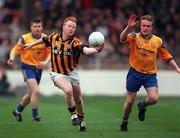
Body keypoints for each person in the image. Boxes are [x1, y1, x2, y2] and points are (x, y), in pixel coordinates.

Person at [23, 16, 104, 131]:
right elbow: (44, 39)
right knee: (68, 90)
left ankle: (82, 122)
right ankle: (73, 114)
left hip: (72, 73)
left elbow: (86, 50)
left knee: (78, 99)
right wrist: (31, 45)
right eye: (69, 26)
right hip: (57, 73)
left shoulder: (75, 43)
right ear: (63, 27)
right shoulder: (54, 37)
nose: (71, 29)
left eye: (73, 27)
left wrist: (96, 50)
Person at [119, 15, 180, 131]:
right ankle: (124, 120)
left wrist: (177, 68)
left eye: (148, 26)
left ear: (152, 27)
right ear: (140, 26)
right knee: (130, 101)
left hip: (150, 75)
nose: (145, 28)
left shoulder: (157, 41)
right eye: (143, 25)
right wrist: (128, 27)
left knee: (154, 98)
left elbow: (166, 56)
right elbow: (121, 38)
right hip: (134, 73)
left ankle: (142, 105)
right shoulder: (134, 36)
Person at [7, 18, 50, 122]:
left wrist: (46, 62)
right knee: (36, 90)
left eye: (39, 26)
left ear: (42, 27)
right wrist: (12, 57)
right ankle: (35, 116)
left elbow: (50, 53)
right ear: (31, 28)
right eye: (35, 26)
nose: (37, 28)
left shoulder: (46, 39)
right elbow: (14, 49)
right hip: (27, 67)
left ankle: (17, 111)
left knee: (30, 94)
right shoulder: (24, 38)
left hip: (38, 68)